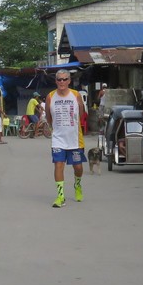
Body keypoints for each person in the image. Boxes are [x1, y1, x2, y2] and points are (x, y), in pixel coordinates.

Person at [45, 72, 87, 207]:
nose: (62, 82)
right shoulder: (50, 96)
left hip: (74, 139)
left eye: (65, 79)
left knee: (78, 167)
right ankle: (60, 196)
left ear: (69, 81)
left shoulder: (76, 95)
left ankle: (77, 184)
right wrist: (53, 128)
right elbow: (48, 116)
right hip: (58, 139)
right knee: (58, 164)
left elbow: (81, 114)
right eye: (59, 79)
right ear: (56, 81)